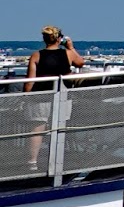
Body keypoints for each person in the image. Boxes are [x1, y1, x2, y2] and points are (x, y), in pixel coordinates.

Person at [24, 26, 87, 170]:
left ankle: (32, 162)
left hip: (40, 96)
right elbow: (80, 62)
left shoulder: (36, 55)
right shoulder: (68, 54)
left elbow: (30, 81)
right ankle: (57, 160)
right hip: (62, 95)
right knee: (59, 127)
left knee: (37, 129)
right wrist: (71, 47)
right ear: (59, 39)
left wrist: (26, 96)